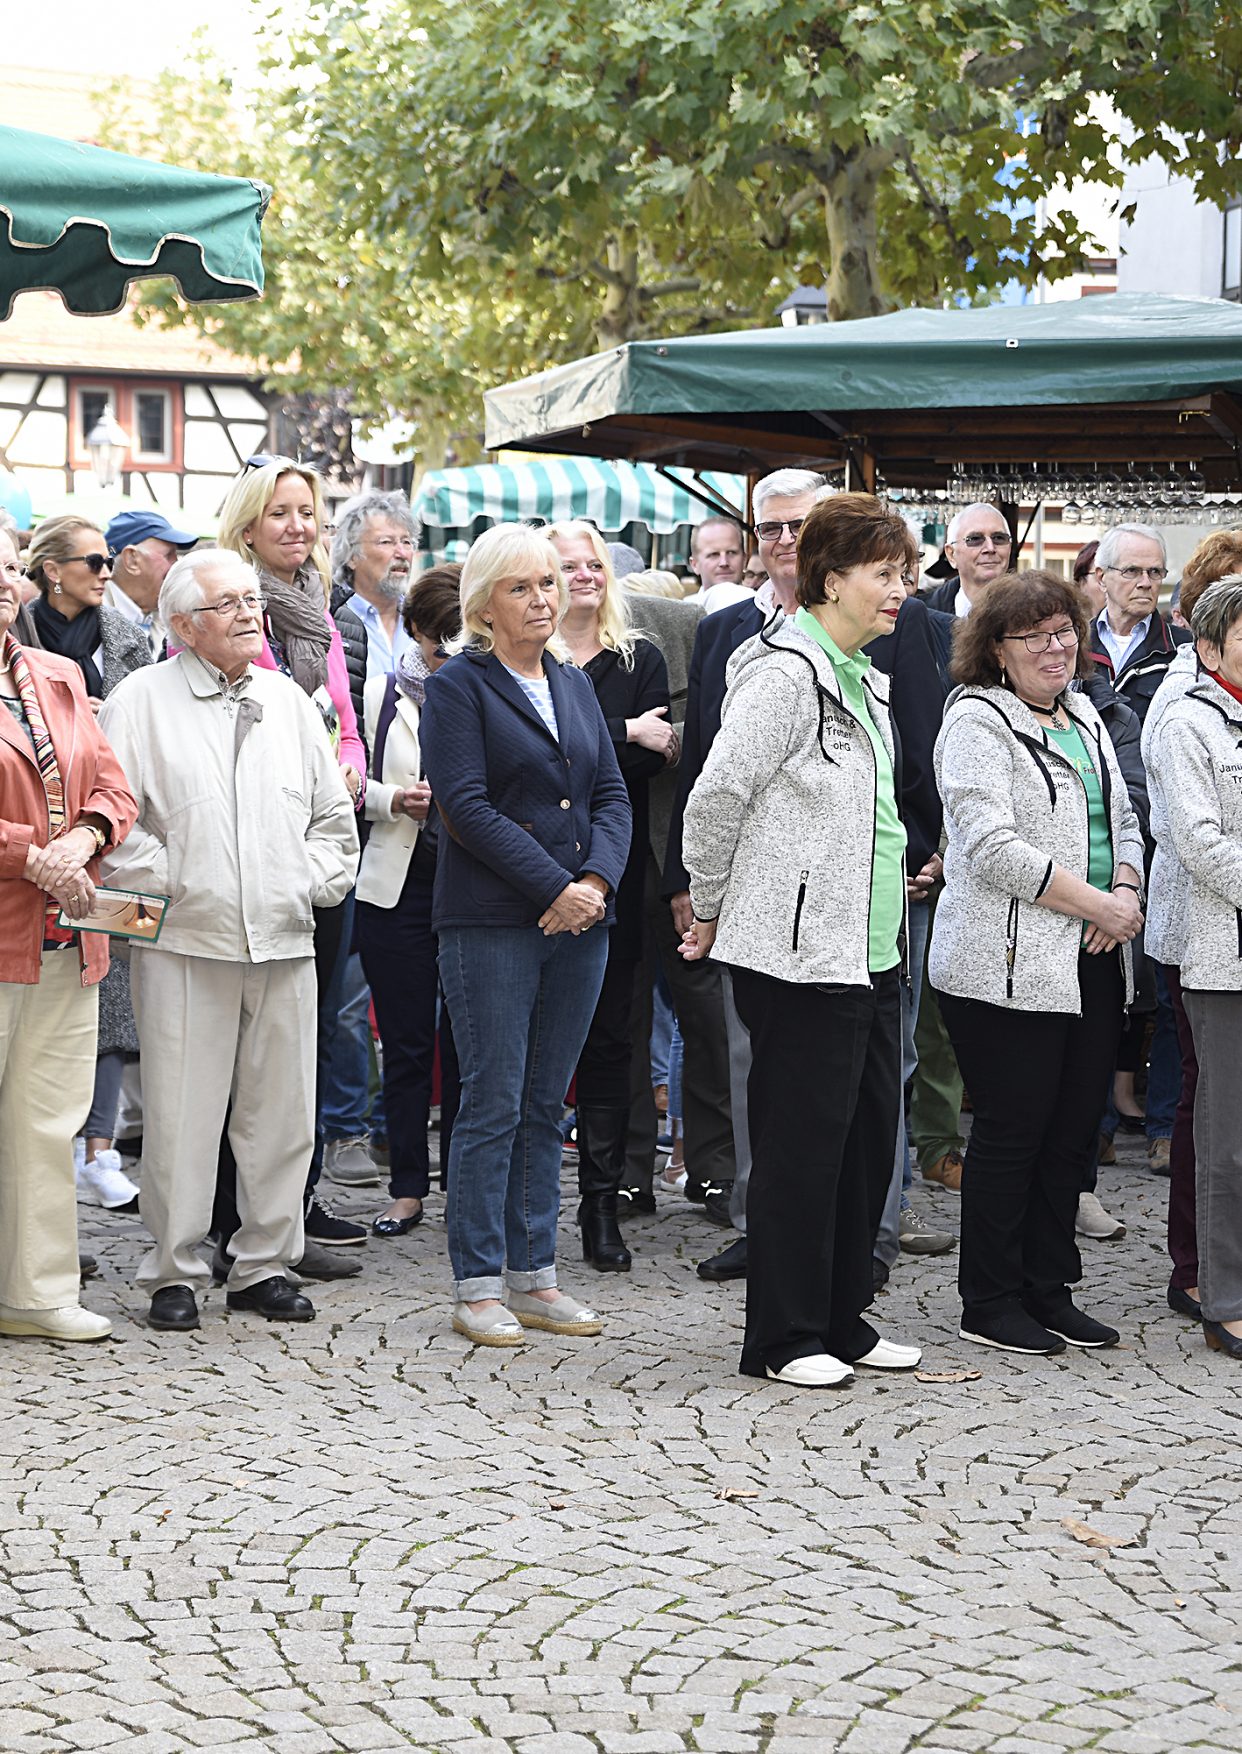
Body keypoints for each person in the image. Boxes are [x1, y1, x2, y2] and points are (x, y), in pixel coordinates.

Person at [679, 492, 922, 1388]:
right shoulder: (783, 675)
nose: (902, 590)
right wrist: (708, 904)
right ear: (830, 580)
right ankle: (782, 1337)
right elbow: (715, 800)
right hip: (795, 952)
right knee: (801, 1147)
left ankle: (840, 1317)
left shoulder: (864, 675)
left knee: (863, 1141)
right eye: (885, 575)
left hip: (871, 949)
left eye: (904, 574)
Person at [98, 548, 359, 1331]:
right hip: (186, 940)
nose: (250, 613)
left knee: (282, 1115)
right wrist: (180, 884)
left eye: (252, 600)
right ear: (182, 624)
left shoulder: (287, 700)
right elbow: (114, 823)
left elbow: (332, 823)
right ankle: (172, 1270)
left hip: (282, 938)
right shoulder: (140, 700)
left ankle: (263, 1265)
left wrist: (300, 881)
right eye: (229, 604)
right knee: (181, 1113)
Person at [419, 523, 631, 1347]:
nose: (543, 598)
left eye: (549, 583)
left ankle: (534, 1273)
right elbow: (464, 807)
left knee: (549, 1103)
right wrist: (555, 886)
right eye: (522, 587)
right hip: (492, 923)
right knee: (493, 1102)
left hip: (580, 920)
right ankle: (476, 1283)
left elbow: (610, 795)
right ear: (483, 603)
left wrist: (595, 885)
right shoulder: (459, 686)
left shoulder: (573, 681)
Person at [930, 570, 1145, 1356]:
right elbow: (988, 849)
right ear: (996, 649)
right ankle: (988, 1299)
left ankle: (1050, 1289)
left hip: (1092, 953)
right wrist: (1099, 906)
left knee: (1069, 1134)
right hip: (1005, 962)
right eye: (1036, 636)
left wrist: (1124, 887)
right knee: (1013, 1131)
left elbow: (1122, 815)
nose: (1057, 649)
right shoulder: (975, 724)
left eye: (1065, 632)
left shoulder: (1085, 714)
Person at [665, 468, 831, 1280]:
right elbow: (701, 769)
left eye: (801, 525)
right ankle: (755, 1221)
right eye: (771, 528)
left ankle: (856, 1233)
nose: (785, 541)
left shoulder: (892, 627)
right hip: (744, 888)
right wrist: (686, 885)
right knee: (745, 1061)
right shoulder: (723, 628)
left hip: (841, 890)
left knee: (852, 1074)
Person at [216, 457, 370, 1248]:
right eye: (280, 513)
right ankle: (230, 1215)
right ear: (247, 524)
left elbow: (344, 719)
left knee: (307, 1036)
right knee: (247, 1046)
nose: (297, 527)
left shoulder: (321, 611)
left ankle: (294, 1204)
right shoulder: (230, 607)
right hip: (254, 849)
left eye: (307, 512)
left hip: (322, 846)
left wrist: (352, 764)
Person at [0, 520, 137, 1341]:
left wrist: (84, 838)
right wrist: (33, 855)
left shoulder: (54, 673)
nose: (3, 581)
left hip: (68, 936)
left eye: (9, 566)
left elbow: (114, 786)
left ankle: (37, 1292)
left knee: (48, 1125)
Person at [547, 520, 675, 1272]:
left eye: (593, 562)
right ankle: (517, 1210)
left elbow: (641, 773)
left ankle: (604, 1205)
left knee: (611, 1042)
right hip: (525, 871)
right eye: (568, 565)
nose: (585, 574)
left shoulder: (639, 656)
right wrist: (623, 730)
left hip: (612, 869)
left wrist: (597, 744)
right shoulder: (519, 659)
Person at [1142, 532, 1242, 1322]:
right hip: (1211, 943)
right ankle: (1209, 1279)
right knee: (1216, 1120)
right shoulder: (1185, 714)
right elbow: (1198, 837)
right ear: (1207, 642)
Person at [355, 566, 462, 1238]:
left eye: (459, 640)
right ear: (414, 631)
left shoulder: (486, 688)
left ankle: (463, 1185)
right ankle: (406, 1188)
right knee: (405, 1042)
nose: (444, 654)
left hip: (469, 887)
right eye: (436, 640)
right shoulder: (380, 692)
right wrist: (393, 798)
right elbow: (340, 781)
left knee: (467, 1045)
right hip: (393, 886)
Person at [320, 490, 420, 1187]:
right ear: (352, 553)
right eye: (386, 542)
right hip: (352, 821)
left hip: (422, 834)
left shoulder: (426, 626)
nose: (401, 553)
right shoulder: (329, 623)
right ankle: (346, 1127)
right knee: (347, 995)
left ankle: (393, 1125)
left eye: (407, 542)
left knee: (411, 1000)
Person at [1086, 522, 1190, 1178]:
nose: (1147, 584)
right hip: (1093, 839)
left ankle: (1163, 1127)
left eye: (1156, 574)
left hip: (1169, 839)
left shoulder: (1182, 650)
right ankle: (1092, 1126)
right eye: (1134, 572)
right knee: (1096, 984)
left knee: (1169, 989)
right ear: (1103, 577)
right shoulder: (1066, 645)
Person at [26, 517, 151, 706]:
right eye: (94, 562)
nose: (106, 575)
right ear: (53, 571)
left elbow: (148, 713)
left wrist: (111, 718)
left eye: (108, 563)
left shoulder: (129, 636)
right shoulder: (14, 634)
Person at [104, 509, 198, 659]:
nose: (176, 565)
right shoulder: (91, 622)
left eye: (177, 556)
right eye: (168, 555)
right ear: (132, 560)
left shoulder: (170, 616)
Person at [921, 504, 1013, 615]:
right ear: (951, 554)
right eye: (975, 539)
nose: (990, 548)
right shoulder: (922, 616)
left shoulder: (1034, 612)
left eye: (999, 538)